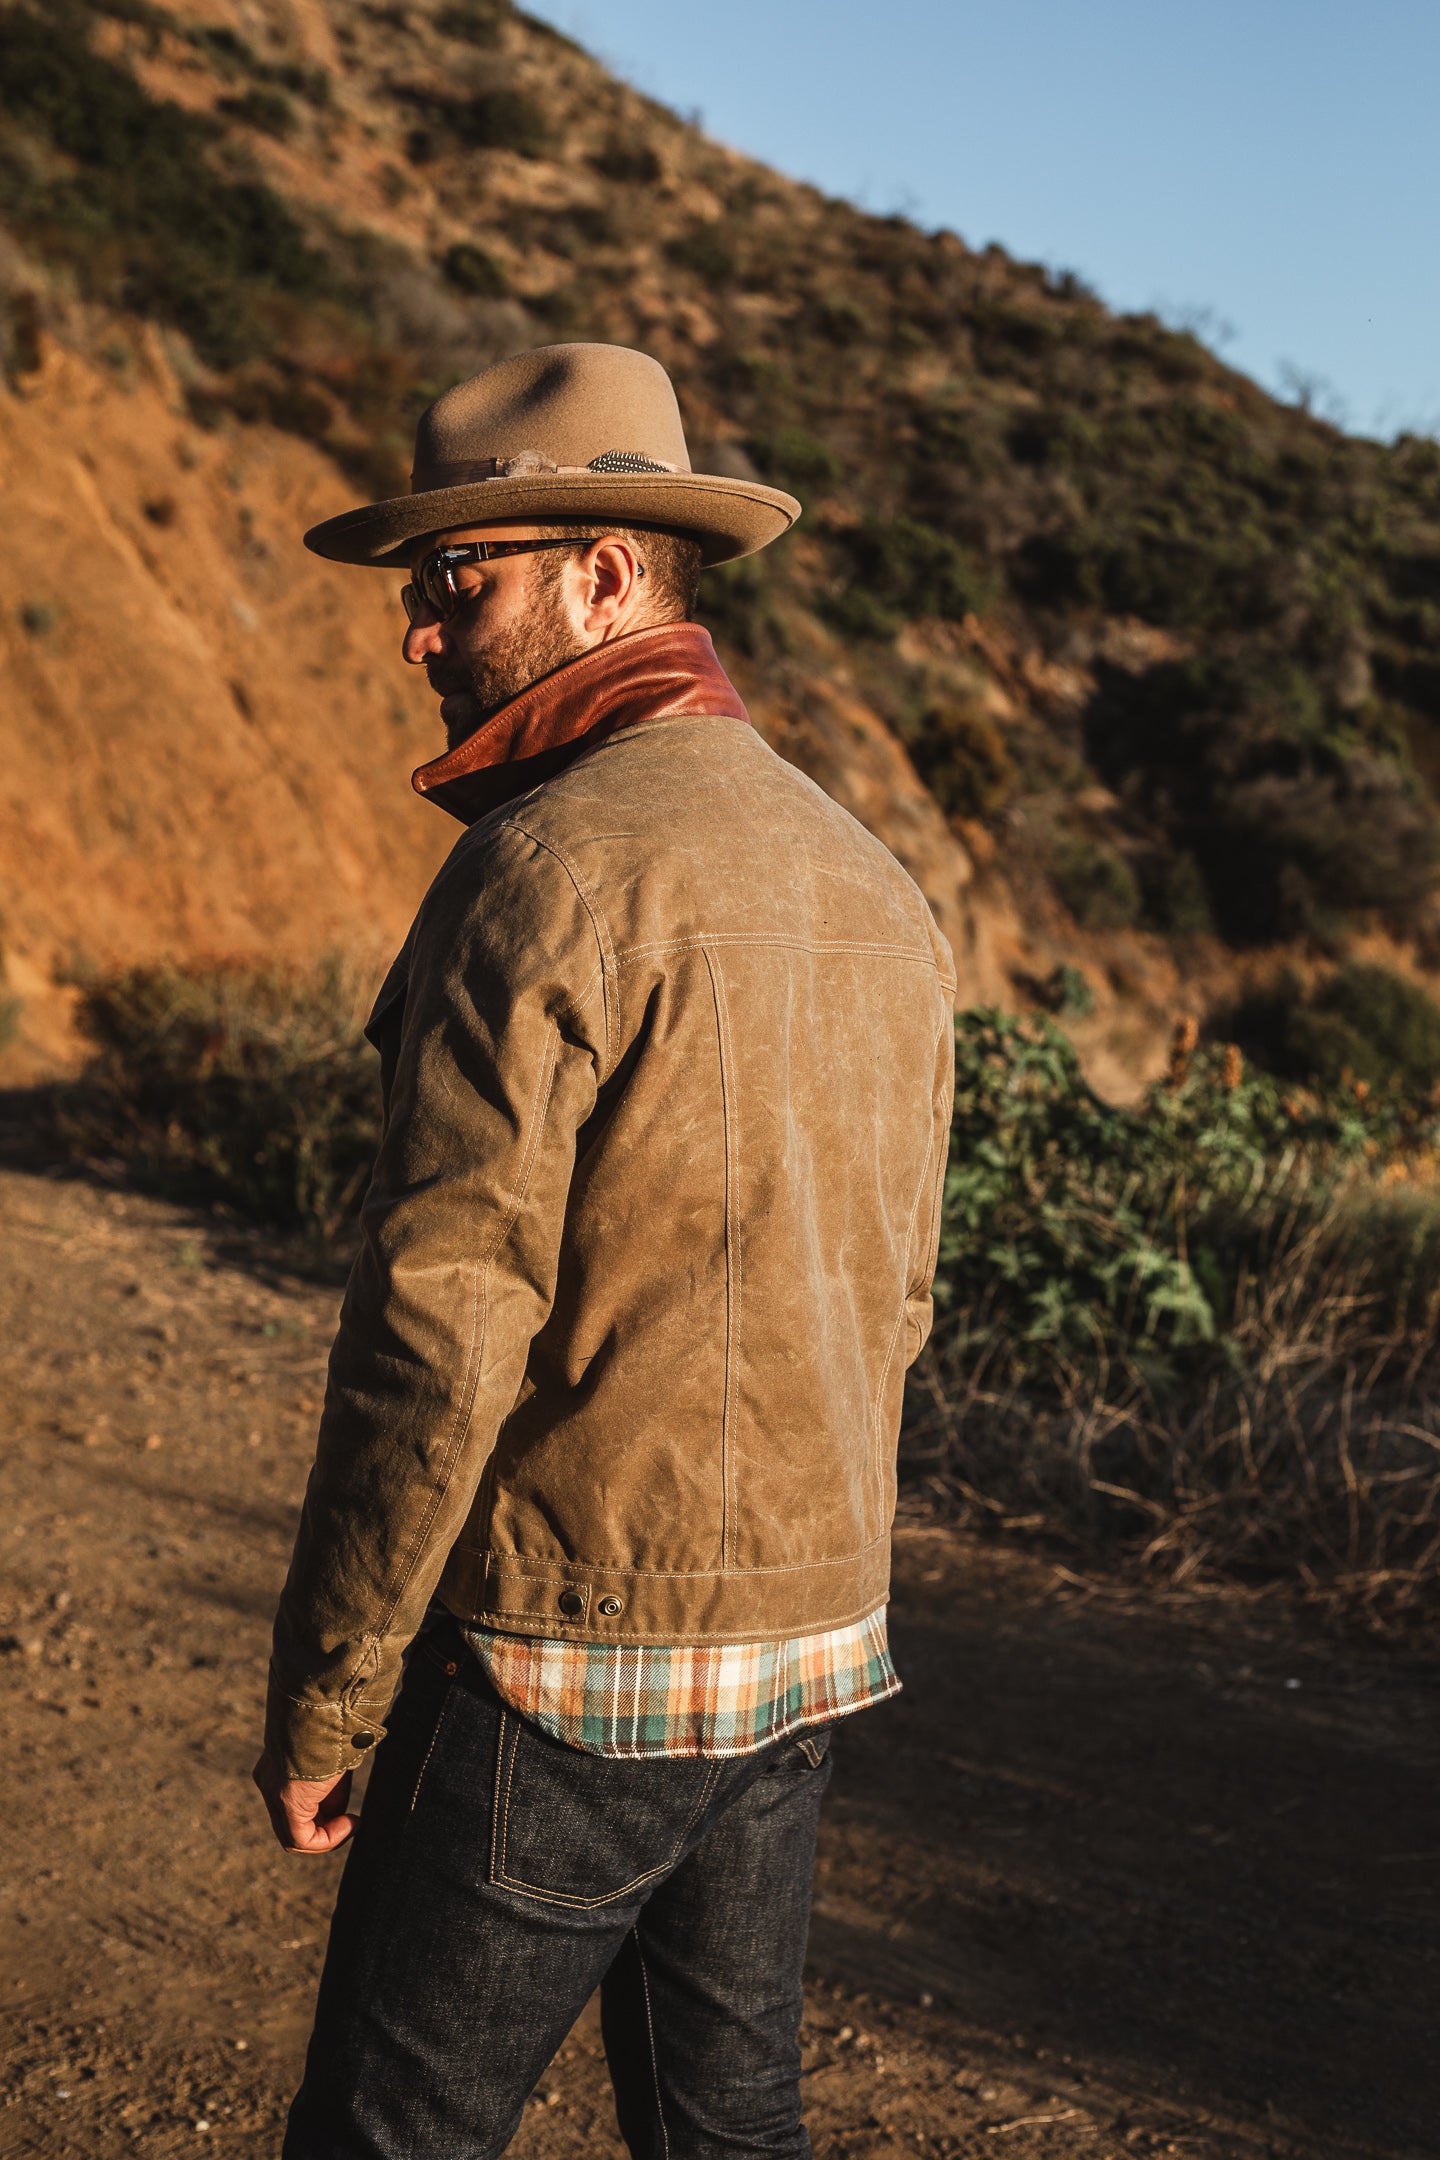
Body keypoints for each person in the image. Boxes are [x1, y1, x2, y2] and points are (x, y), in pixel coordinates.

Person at [253, 342, 956, 2159]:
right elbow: (900, 1297)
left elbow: (439, 1331)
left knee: (390, 2131)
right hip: (806, 1651)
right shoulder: (874, 881)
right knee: (731, 2131)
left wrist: (329, 1692)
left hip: (576, 1662)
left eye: (453, 582)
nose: (418, 632)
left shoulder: (543, 870)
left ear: (610, 574)